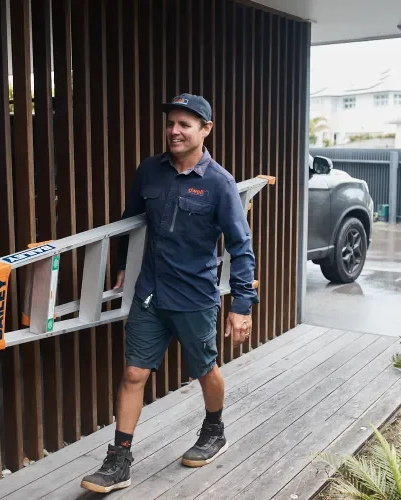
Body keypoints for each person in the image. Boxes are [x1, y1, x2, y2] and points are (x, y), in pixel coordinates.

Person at [80, 93, 259, 493]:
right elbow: (130, 221)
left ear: (205, 130)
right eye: (171, 123)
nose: (174, 131)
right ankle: (119, 459)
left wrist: (242, 305)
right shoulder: (150, 172)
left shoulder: (219, 183)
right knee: (133, 372)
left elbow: (240, 246)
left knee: (205, 370)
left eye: (185, 124)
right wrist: (125, 265)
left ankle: (214, 429)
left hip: (195, 296)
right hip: (151, 292)